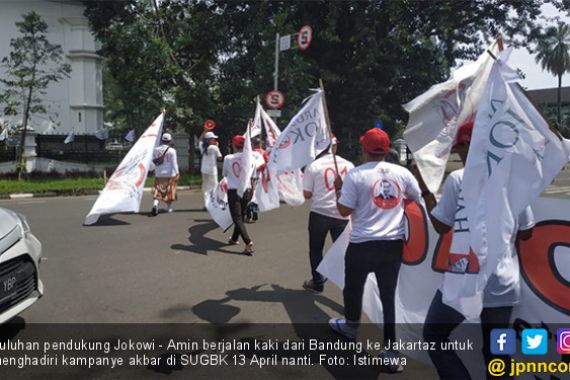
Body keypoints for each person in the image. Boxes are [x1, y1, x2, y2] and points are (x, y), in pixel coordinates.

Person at [416, 121, 535, 379]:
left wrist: (425, 190)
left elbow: (440, 225)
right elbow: (527, 232)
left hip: (465, 278)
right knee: (497, 352)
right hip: (503, 283)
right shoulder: (512, 181)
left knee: (434, 335)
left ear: (471, 144)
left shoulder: (459, 179)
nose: (458, 152)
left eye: (459, 146)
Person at [329, 128, 422, 373]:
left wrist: (339, 190)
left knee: (353, 288)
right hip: (393, 245)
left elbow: (343, 212)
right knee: (389, 297)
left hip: (361, 245)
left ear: (364, 148)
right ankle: (391, 351)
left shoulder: (355, 176)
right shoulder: (402, 173)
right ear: (387, 148)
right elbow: (417, 199)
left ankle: (350, 327)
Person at [301, 137, 354, 293]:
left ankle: (318, 282)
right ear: (334, 146)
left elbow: (307, 194)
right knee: (345, 254)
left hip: (319, 213)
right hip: (342, 215)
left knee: (316, 249)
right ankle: (348, 291)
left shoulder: (313, 166)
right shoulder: (349, 165)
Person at [222, 135, 258, 255]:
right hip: (247, 189)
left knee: (237, 217)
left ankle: (248, 242)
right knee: (241, 216)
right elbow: (253, 176)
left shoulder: (228, 158)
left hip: (234, 190)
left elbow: (225, 174)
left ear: (233, 145)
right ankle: (234, 238)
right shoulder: (252, 158)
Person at [151, 133, 179, 216]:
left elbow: (153, 162)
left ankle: (155, 205)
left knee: (158, 190)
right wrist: (177, 173)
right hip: (170, 174)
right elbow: (174, 164)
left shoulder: (155, 150)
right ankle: (169, 208)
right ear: (169, 141)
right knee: (169, 191)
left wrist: (153, 170)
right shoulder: (172, 151)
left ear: (162, 140)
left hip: (159, 173)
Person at [246, 137, 269, 223]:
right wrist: (259, 169)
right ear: (260, 144)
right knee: (256, 195)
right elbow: (267, 163)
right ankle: (254, 211)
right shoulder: (263, 153)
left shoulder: (249, 152)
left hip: (249, 176)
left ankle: (248, 215)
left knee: (249, 195)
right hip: (260, 176)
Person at [199, 130, 223, 209]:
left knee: (205, 187)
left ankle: (206, 204)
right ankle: (213, 203)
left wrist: (205, 130)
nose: (215, 140)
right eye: (213, 139)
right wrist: (218, 147)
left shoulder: (202, 146)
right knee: (214, 186)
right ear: (210, 140)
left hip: (204, 170)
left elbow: (200, 139)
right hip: (212, 170)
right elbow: (220, 158)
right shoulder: (214, 147)